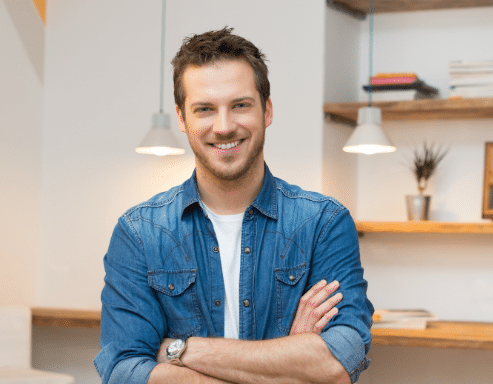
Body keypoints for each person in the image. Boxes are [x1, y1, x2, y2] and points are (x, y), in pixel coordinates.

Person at [95, 27, 373, 384]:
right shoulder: (139, 233)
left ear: (267, 110)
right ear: (181, 118)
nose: (224, 127)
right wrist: (290, 357)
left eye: (240, 105)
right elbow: (123, 371)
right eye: (205, 109)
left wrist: (180, 350)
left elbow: (337, 361)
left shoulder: (323, 222)